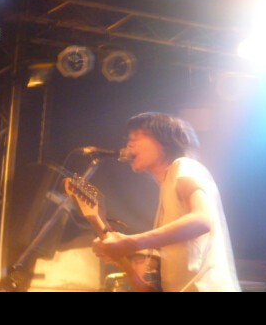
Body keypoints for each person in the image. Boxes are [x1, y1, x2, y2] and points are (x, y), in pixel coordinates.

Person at [92, 112, 241, 292]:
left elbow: (201, 220)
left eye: (137, 137)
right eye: (129, 139)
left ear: (165, 141)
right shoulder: (167, 187)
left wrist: (131, 243)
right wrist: (123, 255)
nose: (129, 144)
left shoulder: (184, 165)